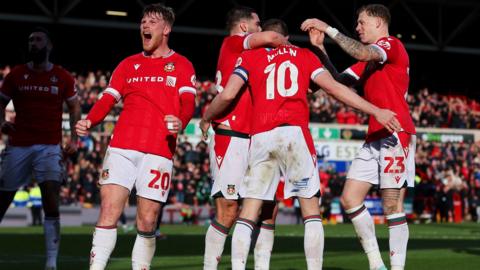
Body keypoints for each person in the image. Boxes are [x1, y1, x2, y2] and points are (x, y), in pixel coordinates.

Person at [200, 18, 400, 270]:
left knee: (249, 210)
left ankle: (239, 267)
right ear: (286, 36)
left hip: (262, 136)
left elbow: (228, 94)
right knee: (311, 212)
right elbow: (335, 88)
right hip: (295, 137)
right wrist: (375, 110)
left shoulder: (250, 57)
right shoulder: (303, 55)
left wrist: (207, 117)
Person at [75, 3, 196, 270]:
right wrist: (89, 120)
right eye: (143, 21)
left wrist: (182, 120)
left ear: (166, 29)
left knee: (148, 220)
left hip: (159, 150)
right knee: (108, 210)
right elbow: (107, 100)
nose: (145, 26)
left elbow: (188, 102)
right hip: (121, 147)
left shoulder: (182, 65)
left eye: (152, 22)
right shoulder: (128, 64)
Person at [301, 4, 416, 270]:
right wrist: (320, 49)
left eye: (362, 22)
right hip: (375, 133)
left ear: (378, 22)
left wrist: (328, 27)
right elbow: (337, 84)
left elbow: (363, 51)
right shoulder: (368, 64)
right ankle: (376, 264)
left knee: (390, 204)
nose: (357, 27)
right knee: (350, 199)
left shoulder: (391, 45)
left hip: (395, 132)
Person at [203, 7, 288, 270]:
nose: (261, 29)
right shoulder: (233, 43)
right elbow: (273, 38)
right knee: (228, 210)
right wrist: (287, 45)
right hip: (232, 136)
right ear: (243, 27)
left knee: (268, 209)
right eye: (257, 23)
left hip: (258, 138)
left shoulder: (252, 57)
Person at [0, 27, 80, 270]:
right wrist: (1, 121)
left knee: (51, 197)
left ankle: (51, 262)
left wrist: (74, 138)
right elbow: (0, 102)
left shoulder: (62, 77)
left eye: (38, 40)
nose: (33, 43)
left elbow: (75, 107)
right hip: (18, 145)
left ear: (49, 46)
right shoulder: (16, 75)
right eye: (30, 40)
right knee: (3, 198)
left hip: (49, 145)